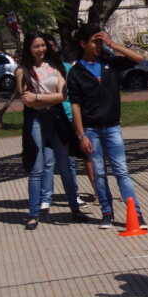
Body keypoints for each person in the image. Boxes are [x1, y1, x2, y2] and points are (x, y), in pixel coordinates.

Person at [67, 24, 147, 230]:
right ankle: (106, 212)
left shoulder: (109, 61)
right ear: (83, 43)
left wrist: (113, 45)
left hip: (112, 127)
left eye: (100, 41)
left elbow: (139, 60)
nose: (98, 45)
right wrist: (81, 134)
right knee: (99, 173)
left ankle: (135, 213)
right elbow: (75, 106)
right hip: (91, 130)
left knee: (121, 171)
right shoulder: (76, 72)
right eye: (95, 41)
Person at [16, 34, 87, 230]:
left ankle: (75, 208)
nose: (41, 49)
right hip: (36, 120)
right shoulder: (22, 71)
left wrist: (39, 96)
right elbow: (26, 100)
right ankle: (33, 214)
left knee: (65, 165)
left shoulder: (55, 67)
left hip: (57, 119)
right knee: (36, 168)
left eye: (43, 45)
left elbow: (63, 95)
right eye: (36, 46)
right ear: (28, 49)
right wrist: (50, 97)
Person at [39, 38, 93, 212]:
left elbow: (75, 95)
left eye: (49, 47)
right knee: (48, 161)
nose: (46, 50)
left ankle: (73, 195)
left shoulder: (67, 69)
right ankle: (45, 198)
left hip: (67, 119)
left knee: (69, 161)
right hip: (48, 118)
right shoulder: (39, 71)